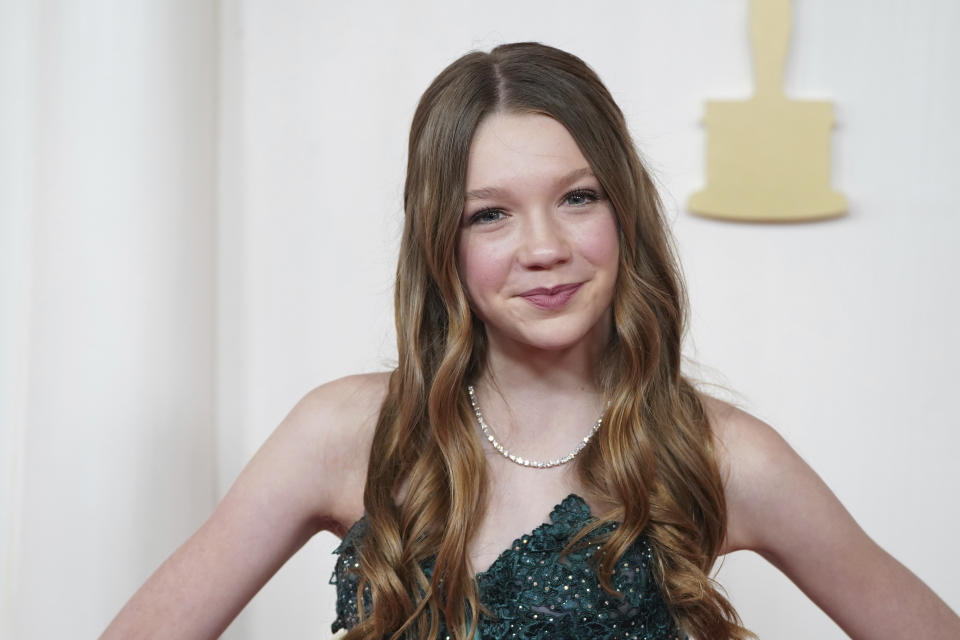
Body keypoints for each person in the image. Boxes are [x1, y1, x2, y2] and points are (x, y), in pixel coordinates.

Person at [101, 42, 960, 640]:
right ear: (443, 241)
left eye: (578, 197)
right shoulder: (343, 433)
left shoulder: (725, 455)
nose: (544, 246)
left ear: (624, 211)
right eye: (491, 214)